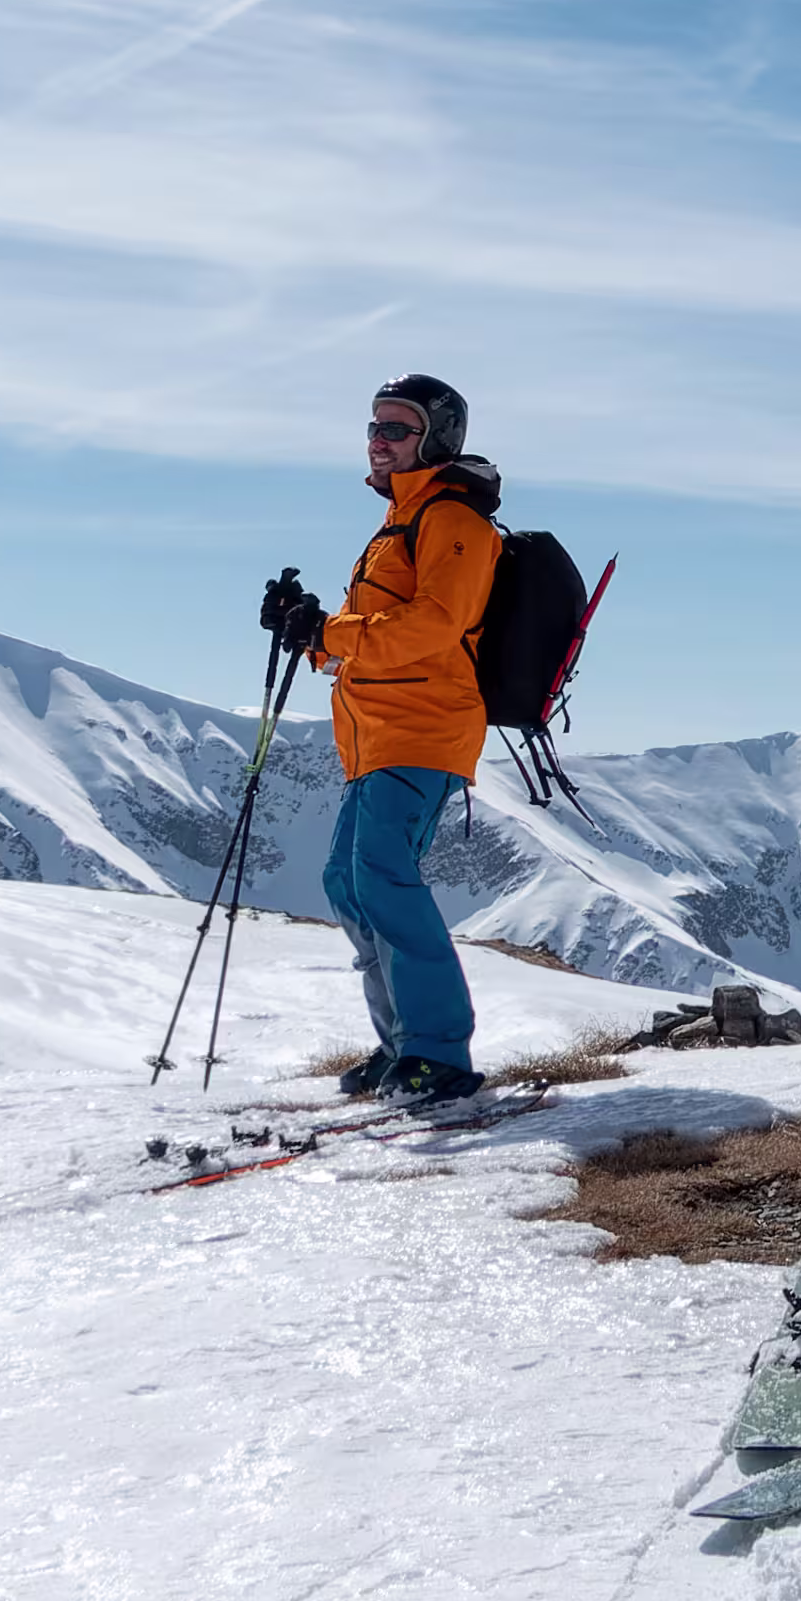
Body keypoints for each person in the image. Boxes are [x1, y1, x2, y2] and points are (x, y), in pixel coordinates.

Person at [254, 372, 503, 1104]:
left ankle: (438, 1054)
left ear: (437, 438)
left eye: (396, 429)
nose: (378, 441)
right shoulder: (398, 524)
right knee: (349, 882)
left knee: (384, 881)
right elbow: (369, 643)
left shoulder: (453, 520)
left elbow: (433, 627)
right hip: (375, 738)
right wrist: (308, 632)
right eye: (374, 427)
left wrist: (329, 630)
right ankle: (402, 1047)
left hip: (423, 730)